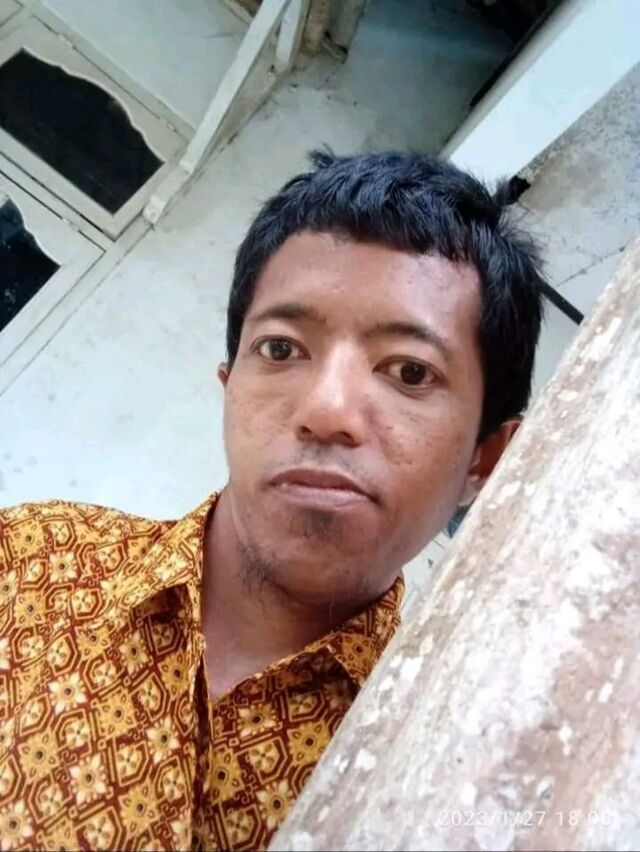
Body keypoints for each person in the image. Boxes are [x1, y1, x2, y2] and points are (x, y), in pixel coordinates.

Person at [0, 151, 544, 850]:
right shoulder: (29, 561)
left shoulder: (434, 782)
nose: (327, 409)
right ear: (229, 387)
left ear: (485, 458)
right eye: (282, 349)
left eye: (410, 371)